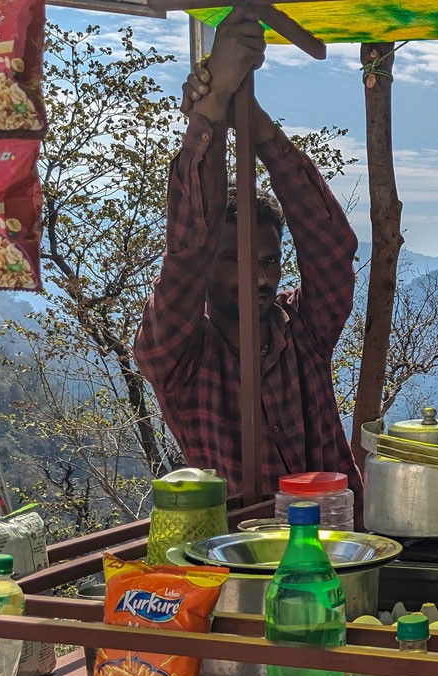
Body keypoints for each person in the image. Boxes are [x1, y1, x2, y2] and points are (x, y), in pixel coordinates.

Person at [134, 9, 361, 499]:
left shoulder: (304, 331)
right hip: (240, 560)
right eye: (234, 261)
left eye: (267, 262)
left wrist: (255, 126)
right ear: (208, 276)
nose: (259, 278)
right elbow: (186, 253)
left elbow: (331, 246)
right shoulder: (181, 359)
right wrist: (210, 111)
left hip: (337, 552)